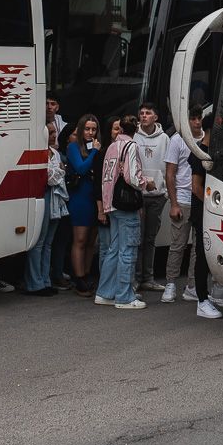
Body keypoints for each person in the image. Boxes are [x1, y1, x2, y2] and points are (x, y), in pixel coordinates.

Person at [97, 114, 150, 309]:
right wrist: (147, 183)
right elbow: (132, 178)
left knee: (114, 249)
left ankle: (105, 292)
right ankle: (124, 296)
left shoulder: (111, 147)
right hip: (126, 205)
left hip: (111, 202)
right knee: (128, 250)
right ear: (135, 129)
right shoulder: (131, 146)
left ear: (120, 130)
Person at [174, 107, 223, 319]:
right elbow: (196, 187)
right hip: (202, 213)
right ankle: (201, 300)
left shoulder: (215, 152)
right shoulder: (199, 153)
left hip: (213, 212)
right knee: (202, 254)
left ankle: (209, 294)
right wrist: (212, 205)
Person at [22, 121, 66, 296]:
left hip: (55, 198)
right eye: (51, 132)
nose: (54, 135)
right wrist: (60, 171)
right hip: (42, 196)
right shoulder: (38, 153)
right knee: (38, 242)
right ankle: (34, 283)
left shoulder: (54, 153)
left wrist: (58, 172)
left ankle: (45, 280)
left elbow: (56, 175)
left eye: (55, 132)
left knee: (48, 242)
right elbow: (51, 177)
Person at [132, 101, 170, 292]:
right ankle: (136, 278)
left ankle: (148, 277)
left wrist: (166, 192)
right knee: (137, 238)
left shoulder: (164, 138)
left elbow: (169, 165)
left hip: (157, 195)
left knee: (150, 238)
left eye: (148, 113)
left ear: (155, 117)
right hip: (138, 195)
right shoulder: (134, 136)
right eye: (142, 113)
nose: (144, 116)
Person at [64, 114, 103, 295]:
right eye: (87, 129)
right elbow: (80, 168)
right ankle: (78, 277)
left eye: (93, 129)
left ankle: (87, 274)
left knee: (90, 241)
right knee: (79, 239)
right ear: (81, 130)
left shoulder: (97, 146)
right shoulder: (73, 147)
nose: (90, 132)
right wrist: (94, 152)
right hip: (80, 198)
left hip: (95, 198)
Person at [160, 111, 195, 304]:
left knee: (199, 248)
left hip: (201, 200)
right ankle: (171, 283)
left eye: (199, 118)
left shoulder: (207, 138)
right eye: (193, 118)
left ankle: (192, 286)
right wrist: (173, 204)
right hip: (182, 199)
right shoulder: (177, 139)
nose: (196, 122)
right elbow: (170, 174)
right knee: (177, 245)